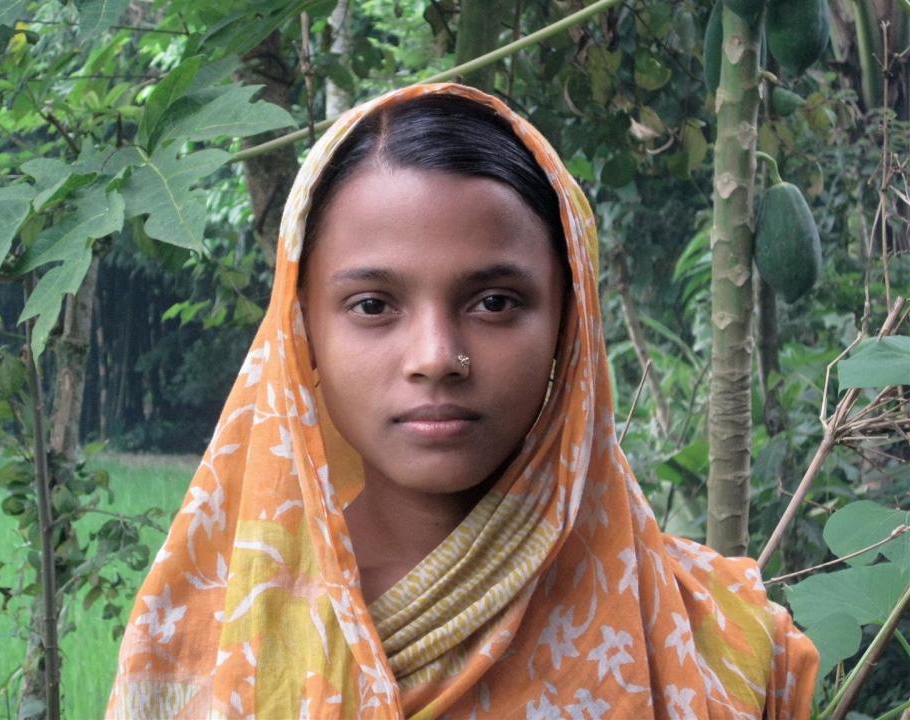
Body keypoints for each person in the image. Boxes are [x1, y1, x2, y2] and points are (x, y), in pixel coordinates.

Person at [107, 83, 817, 719]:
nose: (437, 358)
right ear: (303, 334)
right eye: (373, 305)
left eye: (495, 302)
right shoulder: (207, 632)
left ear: (571, 326)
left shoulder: (712, 639)